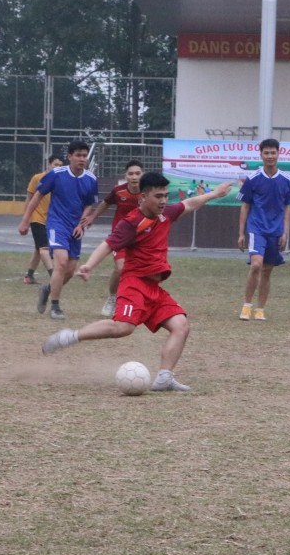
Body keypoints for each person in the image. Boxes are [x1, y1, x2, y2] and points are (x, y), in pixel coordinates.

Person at [41, 172, 233, 392]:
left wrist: (215, 194)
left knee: (181, 326)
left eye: (165, 195)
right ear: (143, 197)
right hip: (134, 283)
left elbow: (189, 203)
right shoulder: (132, 222)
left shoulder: (165, 215)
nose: (163, 201)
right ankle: (71, 336)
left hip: (154, 288)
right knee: (123, 328)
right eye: (157, 196)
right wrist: (89, 266)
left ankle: (164, 377)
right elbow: (108, 244)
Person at [18, 140, 98, 320]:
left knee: (69, 270)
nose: (82, 159)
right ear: (69, 156)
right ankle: (55, 306)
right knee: (60, 263)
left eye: (84, 155)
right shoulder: (56, 174)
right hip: (56, 224)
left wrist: (81, 224)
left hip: (75, 227)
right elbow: (37, 196)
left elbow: (89, 205)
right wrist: (25, 221)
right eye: (78, 155)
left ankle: (48, 289)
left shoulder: (91, 179)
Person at [237, 138, 290, 321]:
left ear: (279, 154)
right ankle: (247, 306)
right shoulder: (253, 179)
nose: (270, 156)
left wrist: (285, 232)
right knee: (256, 265)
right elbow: (245, 206)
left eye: (273, 152)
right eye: (266, 153)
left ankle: (260, 309)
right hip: (256, 229)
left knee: (267, 270)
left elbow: (287, 206)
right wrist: (241, 233)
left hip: (276, 231)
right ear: (261, 155)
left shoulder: (287, 180)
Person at [80, 159, 145, 318]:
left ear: (143, 175)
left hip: (141, 237)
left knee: (143, 271)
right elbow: (105, 203)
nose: (134, 176)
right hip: (120, 236)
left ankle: (138, 301)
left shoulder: (147, 192)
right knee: (121, 268)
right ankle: (112, 298)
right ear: (126, 176)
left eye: (137, 173)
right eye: (131, 173)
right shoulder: (119, 191)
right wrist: (93, 217)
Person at [21, 153, 63, 284]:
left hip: (51, 220)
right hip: (36, 218)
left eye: (61, 166)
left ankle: (29, 276)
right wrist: (26, 219)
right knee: (44, 248)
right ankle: (53, 275)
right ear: (49, 164)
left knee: (38, 249)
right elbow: (29, 198)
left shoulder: (61, 180)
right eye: (55, 164)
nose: (58, 167)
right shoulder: (38, 178)